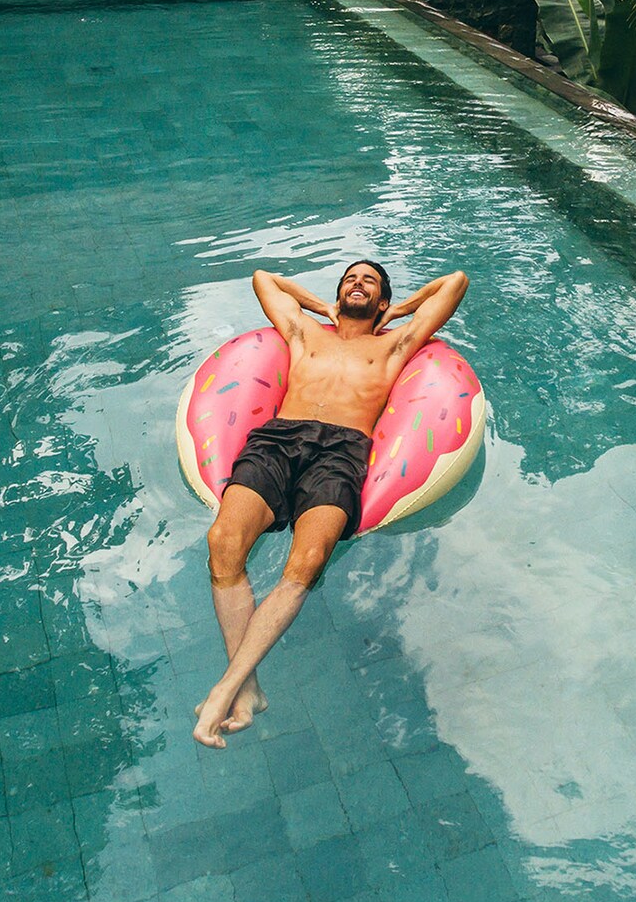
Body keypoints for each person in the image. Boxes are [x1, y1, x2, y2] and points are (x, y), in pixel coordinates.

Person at [192, 260, 469, 747]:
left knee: (308, 561)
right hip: (277, 441)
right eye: (349, 278)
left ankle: (225, 689)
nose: (357, 282)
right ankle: (245, 686)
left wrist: (398, 311)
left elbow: (455, 283)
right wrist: (322, 306)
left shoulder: (394, 343)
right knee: (222, 541)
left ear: (382, 301)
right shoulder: (303, 333)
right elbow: (264, 278)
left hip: (341, 453)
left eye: (369, 281)